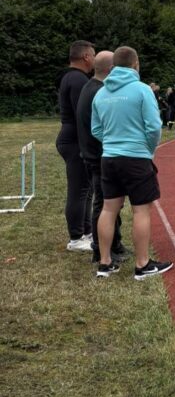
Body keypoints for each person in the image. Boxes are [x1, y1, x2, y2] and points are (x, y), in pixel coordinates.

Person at [91, 46, 173, 281]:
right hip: (136, 157)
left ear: (114, 66)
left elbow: (96, 129)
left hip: (109, 158)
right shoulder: (142, 90)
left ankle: (105, 263)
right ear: (136, 64)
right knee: (141, 210)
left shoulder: (101, 93)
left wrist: (112, 142)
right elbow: (153, 127)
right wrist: (148, 149)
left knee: (109, 209)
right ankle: (142, 264)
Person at [76, 50, 128, 267]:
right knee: (105, 203)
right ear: (112, 69)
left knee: (110, 201)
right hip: (99, 156)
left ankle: (114, 243)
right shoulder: (100, 92)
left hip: (94, 154)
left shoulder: (91, 87)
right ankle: (101, 249)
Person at [56, 40, 96, 251]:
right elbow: (82, 115)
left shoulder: (72, 77)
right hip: (74, 141)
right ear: (86, 57)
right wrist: (87, 145)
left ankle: (87, 231)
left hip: (73, 138)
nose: (95, 59)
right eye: (94, 55)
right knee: (79, 190)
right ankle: (76, 237)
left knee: (86, 189)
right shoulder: (78, 79)